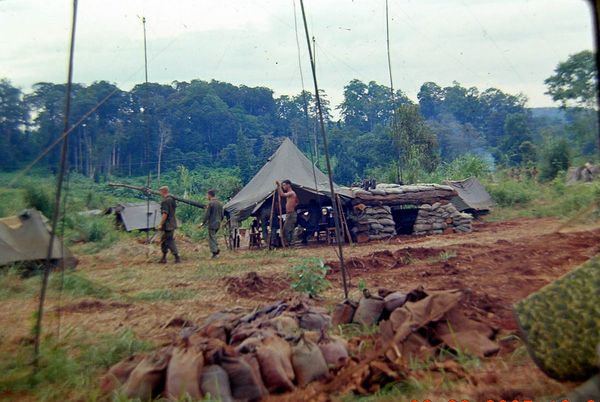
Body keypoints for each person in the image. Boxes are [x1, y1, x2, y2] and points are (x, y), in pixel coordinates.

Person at [158, 186, 181, 264]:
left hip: (168, 224)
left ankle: (177, 257)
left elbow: (165, 214)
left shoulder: (165, 201)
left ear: (163, 192)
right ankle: (164, 258)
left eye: (160, 192)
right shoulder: (172, 200)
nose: (160, 194)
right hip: (172, 223)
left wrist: (160, 224)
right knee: (164, 241)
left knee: (169, 241)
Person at [198, 189, 224, 258]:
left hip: (212, 223)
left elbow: (207, 214)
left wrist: (202, 223)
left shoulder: (210, 204)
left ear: (209, 195)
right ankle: (216, 248)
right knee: (213, 236)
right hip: (218, 223)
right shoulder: (220, 203)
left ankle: (214, 252)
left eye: (207, 195)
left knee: (211, 237)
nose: (207, 196)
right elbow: (222, 215)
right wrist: (220, 221)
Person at [276, 179, 299, 246]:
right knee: (291, 230)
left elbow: (282, 194)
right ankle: (291, 243)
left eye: (284, 185)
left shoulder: (291, 193)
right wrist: (293, 205)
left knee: (285, 230)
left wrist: (278, 186)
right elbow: (297, 201)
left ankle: (289, 243)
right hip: (290, 214)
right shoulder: (292, 194)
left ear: (288, 185)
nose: (283, 186)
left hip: (291, 214)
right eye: (282, 185)